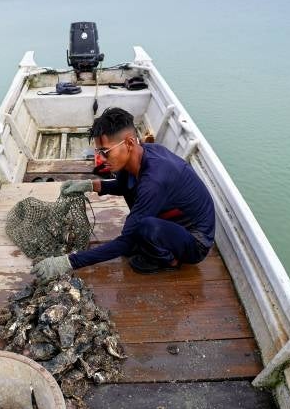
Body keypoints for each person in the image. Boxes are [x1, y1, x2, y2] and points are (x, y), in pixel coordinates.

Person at [32, 107, 216, 281]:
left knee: (144, 228)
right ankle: (152, 242)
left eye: (105, 152)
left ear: (128, 142)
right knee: (127, 185)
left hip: (195, 242)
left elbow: (125, 242)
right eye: (98, 152)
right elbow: (122, 186)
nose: (101, 160)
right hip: (171, 222)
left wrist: (68, 262)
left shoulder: (155, 180)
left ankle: (169, 260)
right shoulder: (141, 154)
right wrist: (89, 185)